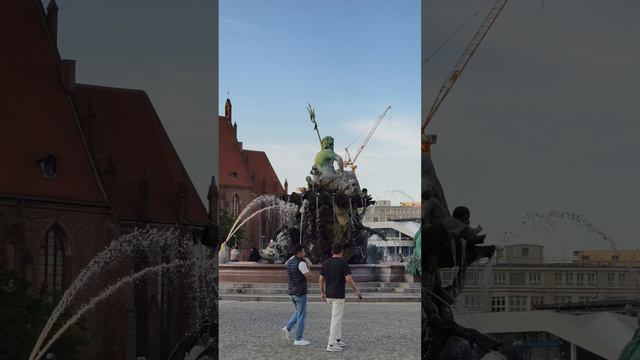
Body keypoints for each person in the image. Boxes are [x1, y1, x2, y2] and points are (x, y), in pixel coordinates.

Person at [319, 243, 362, 352]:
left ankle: (337, 340)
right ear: (341, 251)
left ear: (332, 252)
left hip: (328, 294)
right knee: (336, 319)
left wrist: (322, 292)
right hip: (338, 295)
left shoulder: (326, 263)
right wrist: (356, 290)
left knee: (336, 317)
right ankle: (331, 344)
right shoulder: (343, 262)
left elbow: (320, 279)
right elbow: (349, 279)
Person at [281, 245, 313, 346]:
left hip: (292, 291)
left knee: (298, 313)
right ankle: (298, 339)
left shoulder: (289, 262)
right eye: (303, 252)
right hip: (300, 292)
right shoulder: (301, 263)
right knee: (301, 316)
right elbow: (309, 277)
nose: (304, 253)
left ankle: (287, 328)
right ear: (299, 252)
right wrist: (307, 265)